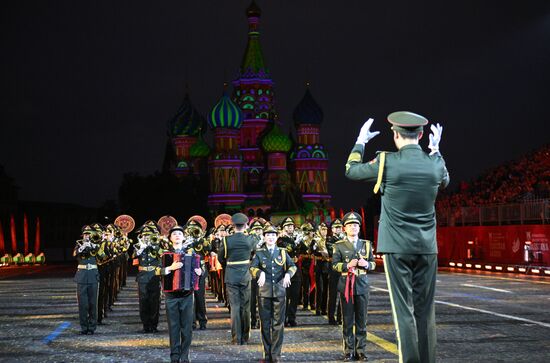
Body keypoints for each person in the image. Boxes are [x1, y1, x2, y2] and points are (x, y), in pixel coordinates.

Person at [345, 112, 450, 363]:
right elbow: (445, 179)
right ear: (422, 135)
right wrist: (436, 151)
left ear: (394, 135)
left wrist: (360, 141)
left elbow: (351, 170)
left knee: (404, 311)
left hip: (396, 247)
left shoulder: (386, 161)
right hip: (427, 246)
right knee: (426, 311)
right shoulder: (434, 163)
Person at [332, 212, 376, 361]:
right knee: (348, 320)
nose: (353, 227)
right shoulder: (339, 246)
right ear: (345, 228)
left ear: (359, 227)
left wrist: (367, 264)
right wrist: (346, 265)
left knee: (362, 320)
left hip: (362, 284)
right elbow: (334, 265)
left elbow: (373, 263)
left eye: (356, 225)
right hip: (346, 286)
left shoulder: (367, 244)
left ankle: (361, 350)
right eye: (350, 225)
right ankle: (349, 350)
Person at [250, 223, 296, 363]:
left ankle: (276, 355)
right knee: (265, 324)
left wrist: (288, 274)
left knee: (278, 324)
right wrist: (259, 273)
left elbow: (293, 266)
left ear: (277, 237)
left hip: (280, 291)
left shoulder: (282, 252)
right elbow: (252, 268)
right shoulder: (259, 252)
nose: (270, 237)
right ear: (264, 237)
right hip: (264, 292)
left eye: (273, 235)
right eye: (268, 235)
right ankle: (267, 353)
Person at [159, 225, 202, 363]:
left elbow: (201, 269)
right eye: (174, 234)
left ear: (183, 237)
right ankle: (174, 356)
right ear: (170, 238)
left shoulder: (192, 253)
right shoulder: (164, 253)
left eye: (179, 233)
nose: (177, 235)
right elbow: (155, 270)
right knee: (173, 326)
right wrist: (169, 268)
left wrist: (200, 273)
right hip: (171, 296)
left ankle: (185, 355)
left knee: (187, 327)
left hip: (187, 294)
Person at [218, 212, 256, 345]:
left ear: (233, 225)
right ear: (246, 225)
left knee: (234, 307)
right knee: (245, 307)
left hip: (231, 275)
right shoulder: (251, 239)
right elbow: (254, 255)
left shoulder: (226, 240)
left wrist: (228, 266)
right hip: (245, 274)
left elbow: (220, 258)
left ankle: (236, 338)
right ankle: (245, 338)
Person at [73, 225, 104, 335]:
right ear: (83, 235)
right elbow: (74, 255)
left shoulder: (96, 244)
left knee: (93, 303)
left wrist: (94, 246)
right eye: (85, 234)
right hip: (81, 276)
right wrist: (82, 247)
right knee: (83, 304)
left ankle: (92, 327)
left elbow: (102, 257)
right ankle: (84, 327)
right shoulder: (79, 244)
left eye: (89, 234)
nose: (87, 236)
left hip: (93, 276)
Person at [133, 224, 162, 333]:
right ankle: (146, 324)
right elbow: (134, 256)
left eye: (148, 235)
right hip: (143, 276)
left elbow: (162, 255)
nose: (146, 237)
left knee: (154, 300)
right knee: (143, 301)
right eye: (144, 235)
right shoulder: (138, 246)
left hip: (154, 275)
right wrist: (141, 248)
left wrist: (154, 246)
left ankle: (154, 324)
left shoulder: (157, 244)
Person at [277, 217, 301, 327]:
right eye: (287, 226)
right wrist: (296, 242)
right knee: (285, 295)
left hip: (296, 269)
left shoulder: (296, 238)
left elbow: (305, 249)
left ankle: (292, 317)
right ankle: (284, 317)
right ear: (283, 228)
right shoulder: (281, 240)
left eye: (291, 226)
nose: (290, 228)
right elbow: (290, 248)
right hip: (285, 270)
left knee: (295, 295)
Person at [327, 219, 344, 325]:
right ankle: (331, 317)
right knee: (332, 295)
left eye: (340, 227)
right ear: (332, 229)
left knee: (343, 294)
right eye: (336, 227)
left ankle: (340, 317)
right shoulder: (329, 239)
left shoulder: (345, 239)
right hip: (333, 270)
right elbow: (332, 252)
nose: (338, 229)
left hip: (343, 269)